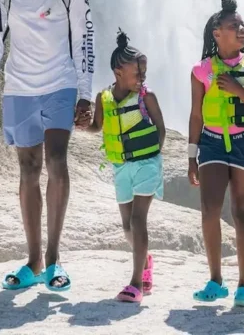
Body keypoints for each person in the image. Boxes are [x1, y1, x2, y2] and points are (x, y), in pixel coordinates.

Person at [0, 0, 95, 291]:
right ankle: (34, 260)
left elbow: (84, 36)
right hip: (19, 87)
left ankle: (56, 258)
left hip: (59, 83)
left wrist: (85, 92)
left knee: (56, 159)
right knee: (28, 167)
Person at [187, 0, 244, 310]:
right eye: (233, 25)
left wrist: (239, 90)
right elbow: (196, 115)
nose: (241, 29)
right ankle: (215, 280)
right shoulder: (203, 71)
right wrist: (190, 156)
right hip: (210, 142)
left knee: (242, 212)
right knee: (209, 210)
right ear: (216, 34)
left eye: (242, 24)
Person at [85, 29, 166, 303]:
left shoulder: (147, 96)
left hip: (146, 164)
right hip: (121, 167)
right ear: (118, 72)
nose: (142, 78)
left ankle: (136, 284)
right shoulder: (103, 99)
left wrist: (153, 159)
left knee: (137, 219)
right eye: (138, 74)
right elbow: (98, 126)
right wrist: (85, 126)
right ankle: (145, 262)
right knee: (126, 227)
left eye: (144, 73)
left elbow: (161, 130)